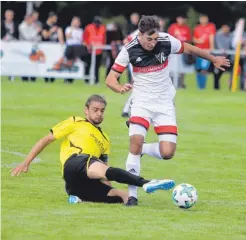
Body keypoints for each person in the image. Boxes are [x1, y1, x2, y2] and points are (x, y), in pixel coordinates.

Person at [106, 15, 230, 206]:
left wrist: (212, 58)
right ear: (140, 34)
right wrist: (118, 88)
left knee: (167, 152)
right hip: (141, 102)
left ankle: (142, 150)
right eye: (149, 39)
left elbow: (188, 47)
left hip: (164, 103)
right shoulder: (129, 49)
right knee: (135, 141)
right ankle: (132, 196)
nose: (153, 43)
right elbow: (110, 78)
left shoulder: (165, 41)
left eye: (155, 38)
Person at [11, 94, 175, 205]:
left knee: (122, 196)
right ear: (86, 110)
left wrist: (110, 189)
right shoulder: (75, 121)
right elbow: (46, 139)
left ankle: (79, 198)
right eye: (95, 110)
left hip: (79, 184)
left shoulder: (105, 139)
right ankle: (146, 183)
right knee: (96, 165)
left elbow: (104, 172)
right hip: (74, 163)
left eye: (102, 111)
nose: (99, 114)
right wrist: (26, 162)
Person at [193, 14, 217, 89]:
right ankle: (199, 86)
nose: (203, 20)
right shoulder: (197, 28)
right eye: (202, 19)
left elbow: (211, 38)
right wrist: (199, 41)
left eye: (205, 19)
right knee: (198, 69)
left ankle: (202, 87)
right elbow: (194, 39)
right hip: (198, 51)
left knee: (204, 69)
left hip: (206, 52)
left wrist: (211, 48)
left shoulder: (211, 26)